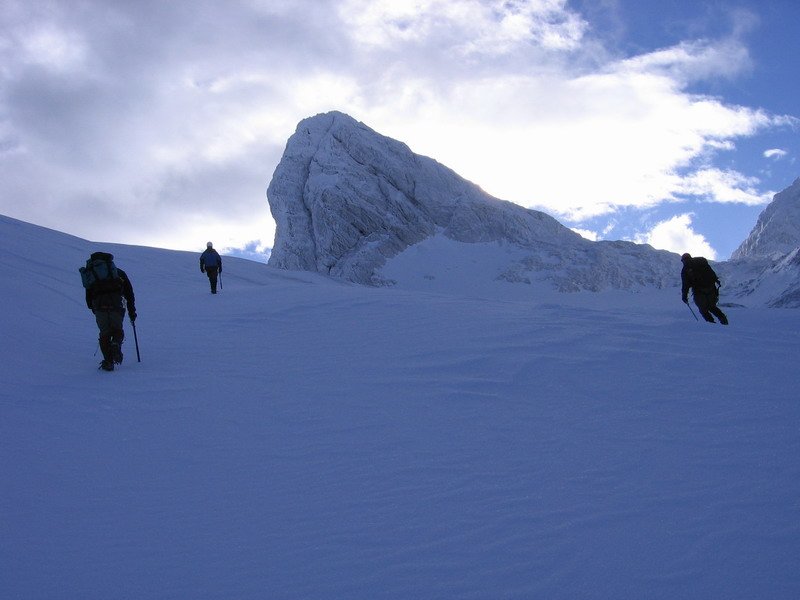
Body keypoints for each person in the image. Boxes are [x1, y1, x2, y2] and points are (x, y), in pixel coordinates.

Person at [84, 252, 136, 371]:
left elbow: (88, 294)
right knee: (117, 330)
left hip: (99, 308)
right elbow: (129, 293)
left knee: (104, 333)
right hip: (116, 306)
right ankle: (116, 344)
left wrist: (93, 308)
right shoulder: (118, 272)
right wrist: (132, 311)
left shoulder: (92, 273)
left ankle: (108, 362)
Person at [680, 253, 728, 325]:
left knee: (703, 309)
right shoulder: (701, 262)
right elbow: (710, 272)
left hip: (699, 291)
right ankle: (723, 320)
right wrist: (716, 280)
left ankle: (711, 323)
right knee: (712, 307)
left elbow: (685, 284)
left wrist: (684, 296)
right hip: (711, 288)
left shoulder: (685, 270)